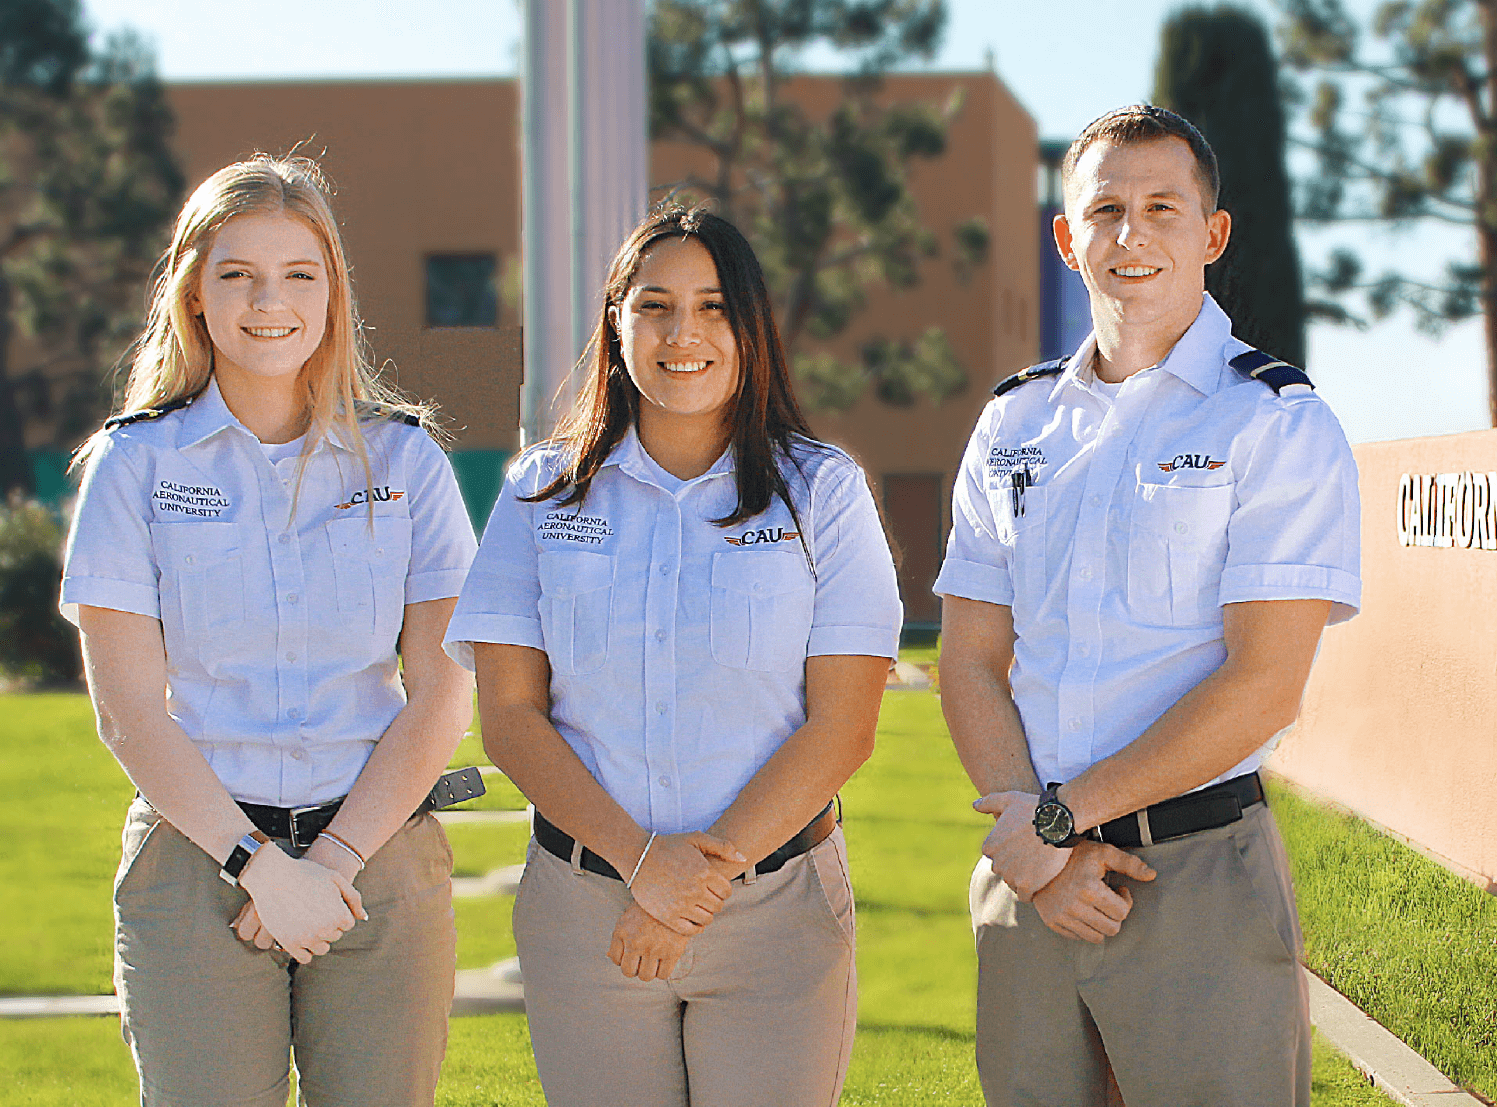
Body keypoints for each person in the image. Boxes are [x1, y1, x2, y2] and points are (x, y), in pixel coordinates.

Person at [934, 105, 1362, 1107]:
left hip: (1196, 875)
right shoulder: (1012, 421)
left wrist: (1056, 820)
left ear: (1210, 235)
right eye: (1105, 209)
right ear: (1065, 237)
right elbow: (967, 659)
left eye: (1161, 208)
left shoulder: (1273, 420)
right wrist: (1040, 854)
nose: (1131, 235)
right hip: (1032, 885)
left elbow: (1260, 685)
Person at [446, 206, 902, 1107]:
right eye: (654, 305)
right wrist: (643, 866)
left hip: (777, 912)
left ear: (750, 327)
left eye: (713, 307)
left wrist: (698, 876)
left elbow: (843, 725)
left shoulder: (825, 492)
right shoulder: (540, 491)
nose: (682, 333)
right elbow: (509, 716)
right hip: (586, 912)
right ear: (616, 324)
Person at [60, 155, 477, 1107]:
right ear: (195, 294)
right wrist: (257, 867)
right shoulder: (135, 463)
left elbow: (444, 690)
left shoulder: (408, 461)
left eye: (300, 273)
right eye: (236, 273)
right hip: (195, 862)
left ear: (334, 293)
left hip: (377, 860)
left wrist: (327, 863)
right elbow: (129, 713)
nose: (268, 301)